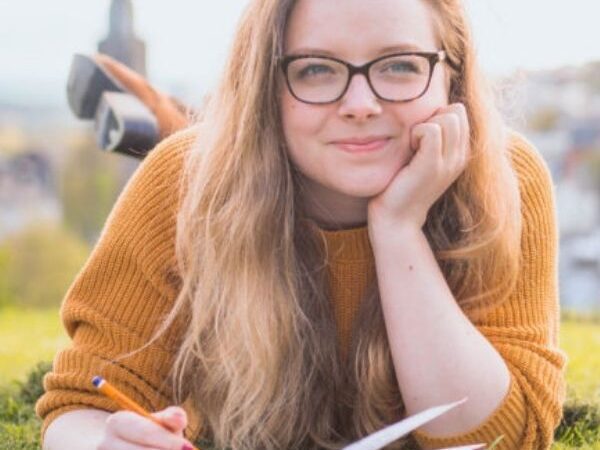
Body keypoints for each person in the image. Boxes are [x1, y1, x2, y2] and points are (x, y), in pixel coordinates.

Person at [37, 0, 567, 449]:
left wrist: (399, 226)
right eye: (315, 69)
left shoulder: (504, 178)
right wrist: (103, 441)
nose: (361, 104)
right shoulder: (179, 180)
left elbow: (504, 434)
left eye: (400, 66)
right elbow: (83, 400)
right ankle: (162, 114)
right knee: (210, 159)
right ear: (266, 82)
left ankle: (156, 110)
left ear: (452, 75)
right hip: (230, 166)